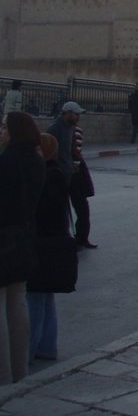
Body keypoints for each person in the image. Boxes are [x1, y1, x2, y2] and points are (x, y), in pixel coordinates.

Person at [0, 111, 46, 384]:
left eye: (4, 127)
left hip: (3, 238)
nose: (1, 131)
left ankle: (3, 377)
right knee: (18, 303)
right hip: (25, 238)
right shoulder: (37, 161)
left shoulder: (6, 162)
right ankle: (20, 372)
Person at [26, 134, 77, 364]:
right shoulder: (56, 175)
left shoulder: (47, 178)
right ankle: (47, 347)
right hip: (54, 245)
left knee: (35, 300)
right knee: (44, 299)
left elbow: (42, 214)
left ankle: (28, 350)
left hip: (44, 246)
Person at [47, 102, 96, 249]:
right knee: (62, 210)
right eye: (76, 114)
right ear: (67, 113)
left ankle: (81, 238)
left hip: (73, 174)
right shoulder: (55, 129)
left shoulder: (71, 128)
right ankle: (64, 240)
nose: (78, 117)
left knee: (82, 208)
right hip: (60, 175)